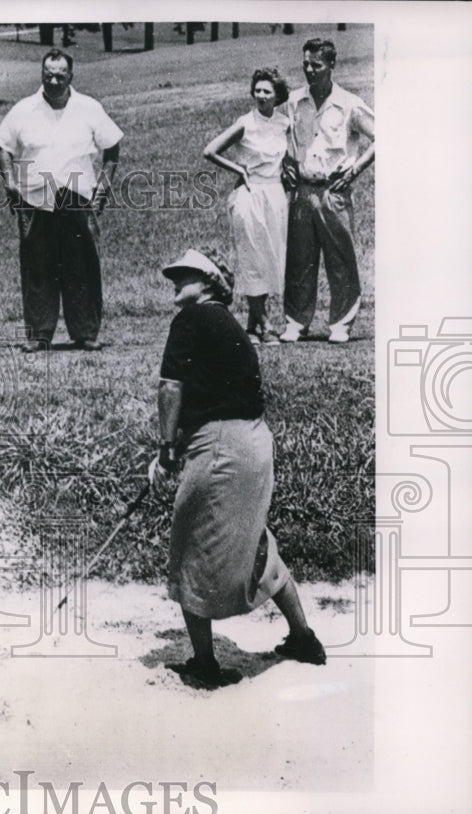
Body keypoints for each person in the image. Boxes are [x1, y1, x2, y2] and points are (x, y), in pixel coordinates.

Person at [148, 247, 326, 689]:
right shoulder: (227, 324)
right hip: (254, 442)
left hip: (223, 445)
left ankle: (205, 666)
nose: (176, 280)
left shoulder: (190, 319)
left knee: (190, 544)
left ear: (208, 282)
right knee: (255, 544)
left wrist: (167, 448)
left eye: (185, 274)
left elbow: (171, 388)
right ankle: (303, 639)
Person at [0, 49, 122, 353]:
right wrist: (10, 183)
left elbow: (112, 148)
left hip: (77, 195)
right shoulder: (24, 109)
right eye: (47, 74)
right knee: (38, 266)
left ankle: (85, 332)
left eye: (59, 75)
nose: (53, 80)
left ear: (70, 77)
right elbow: (3, 147)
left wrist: (103, 187)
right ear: (41, 74)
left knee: (83, 265)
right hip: (35, 198)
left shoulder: (89, 108)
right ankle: (39, 334)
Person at [279, 38, 374, 344]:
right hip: (303, 190)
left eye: (316, 65)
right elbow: (285, 140)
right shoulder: (294, 101)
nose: (309, 70)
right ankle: (295, 322)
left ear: (332, 65)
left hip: (334, 190)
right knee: (299, 259)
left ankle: (341, 325)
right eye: (305, 64)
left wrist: (355, 170)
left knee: (341, 259)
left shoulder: (350, 104)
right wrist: (286, 163)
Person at [203, 68, 290, 346]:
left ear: (277, 96)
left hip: (275, 193)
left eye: (267, 91)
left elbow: (287, 158)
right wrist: (239, 169)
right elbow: (210, 151)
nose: (261, 95)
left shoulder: (283, 124)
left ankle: (251, 327)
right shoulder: (245, 123)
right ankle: (264, 324)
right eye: (258, 90)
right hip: (249, 194)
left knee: (268, 257)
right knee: (252, 257)